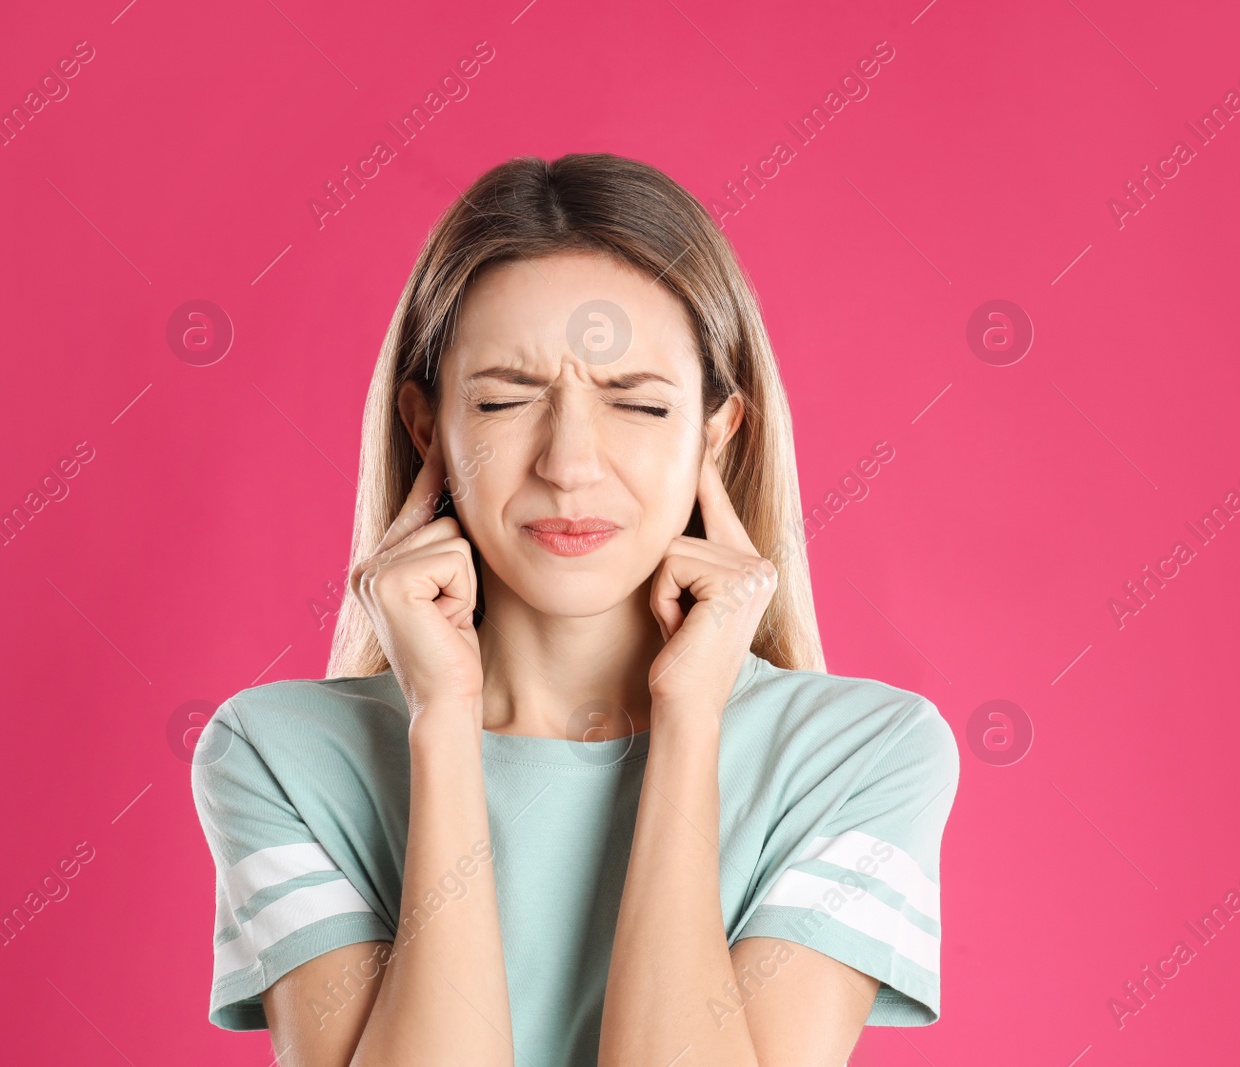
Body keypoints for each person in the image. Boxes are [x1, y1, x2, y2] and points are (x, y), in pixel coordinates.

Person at [189, 153, 959, 1067]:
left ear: (714, 435)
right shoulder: (279, 756)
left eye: (637, 403)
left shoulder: (863, 755)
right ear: (428, 425)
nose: (570, 463)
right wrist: (440, 722)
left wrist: (689, 719)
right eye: (507, 399)